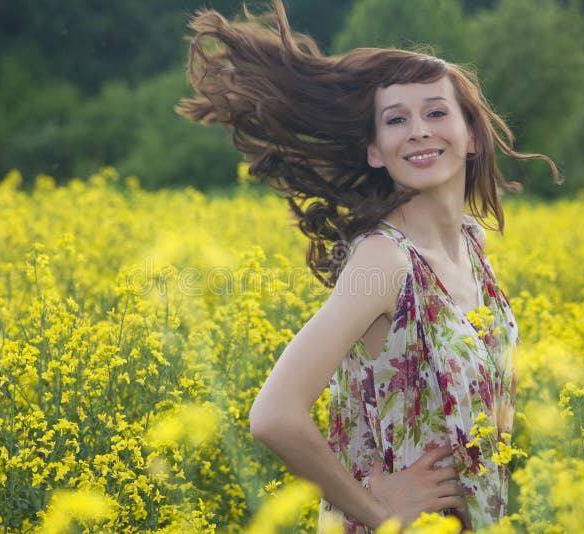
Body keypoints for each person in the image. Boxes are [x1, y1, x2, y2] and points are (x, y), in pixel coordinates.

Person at [177, 1, 559, 531]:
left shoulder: (472, 243)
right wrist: (379, 513)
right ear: (376, 151)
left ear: (472, 135)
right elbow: (273, 415)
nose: (419, 130)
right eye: (397, 120)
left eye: (436, 112)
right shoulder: (387, 258)